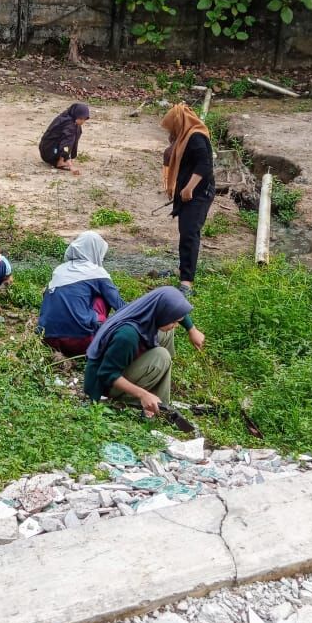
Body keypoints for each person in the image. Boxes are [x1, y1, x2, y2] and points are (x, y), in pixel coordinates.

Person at [83, 286, 205, 418]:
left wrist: (191, 329)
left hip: (118, 361)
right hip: (102, 385)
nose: (176, 324)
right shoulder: (127, 336)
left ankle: (159, 377)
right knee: (161, 356)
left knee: (167, 332)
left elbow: (174, 309)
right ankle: (158, 407)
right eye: (174, 321)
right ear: (162, 313)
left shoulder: (146, 310)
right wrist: (143, 394)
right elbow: (106, 374)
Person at [37, 231, 125, 357]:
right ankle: (99, 337)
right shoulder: (97, 273)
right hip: (82, 341)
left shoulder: (59, 270)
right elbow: (121, 307)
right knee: (102, 297)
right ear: (95, 250)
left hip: (48, 339)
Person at [161, 102, 216, 296]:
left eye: (172, 128)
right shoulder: (186, 137)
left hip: (199, 193)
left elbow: (205, 165)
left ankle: (187, 282)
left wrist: (189, 188)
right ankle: (183, 270)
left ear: (179, 123)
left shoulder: (196, 137)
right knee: (186, 232)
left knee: (189, 234)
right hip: (188, 194)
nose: (171, 132)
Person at [39, 103, 90, 173]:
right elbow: (66, 143)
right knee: (71, 134)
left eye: (85, 119)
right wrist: (70, 165)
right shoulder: (69, 124)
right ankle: (60, 161)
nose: (82, 121)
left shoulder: (67, 116)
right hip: (50, 153)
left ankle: (62, 159)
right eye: (80, 118)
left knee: (77, 130)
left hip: (47, 148)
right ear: (76, 114)